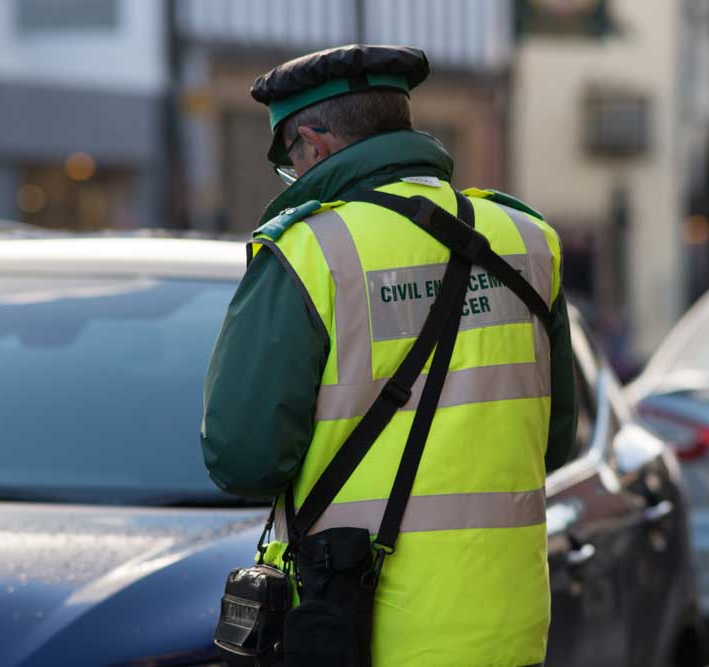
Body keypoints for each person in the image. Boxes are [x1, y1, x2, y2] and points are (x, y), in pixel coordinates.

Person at [201, 44, 576, 667]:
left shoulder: (307, 252)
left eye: (289, 162)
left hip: (363, 629)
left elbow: (243, 457)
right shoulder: (528, 241)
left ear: (314, 143)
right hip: (508, 630)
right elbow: (553, 440)